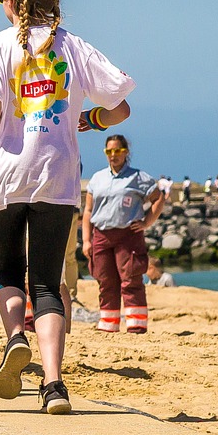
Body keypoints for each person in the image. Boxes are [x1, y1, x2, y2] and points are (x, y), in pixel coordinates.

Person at [0, 0, 134, 415]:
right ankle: (54, 385)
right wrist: (90, 119)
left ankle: (14, 339)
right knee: (47, 281)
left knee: (7, 272)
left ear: (9, 1)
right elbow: (120, 108)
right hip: (57, 174)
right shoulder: (75, 47)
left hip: (5, 174)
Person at [83, 135, 164, 333]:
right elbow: (87, 210)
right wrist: (86, 240)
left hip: (128, 235)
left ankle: (136, 326)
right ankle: (108, 325)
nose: (113, 155)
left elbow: (158, 198)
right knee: (105, 280)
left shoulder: (138, 178)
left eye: (117, 151)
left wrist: (146, 222)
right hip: (101, 235)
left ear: (125, 152)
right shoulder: (97, 178)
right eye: (109, 151)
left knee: (131, 279)